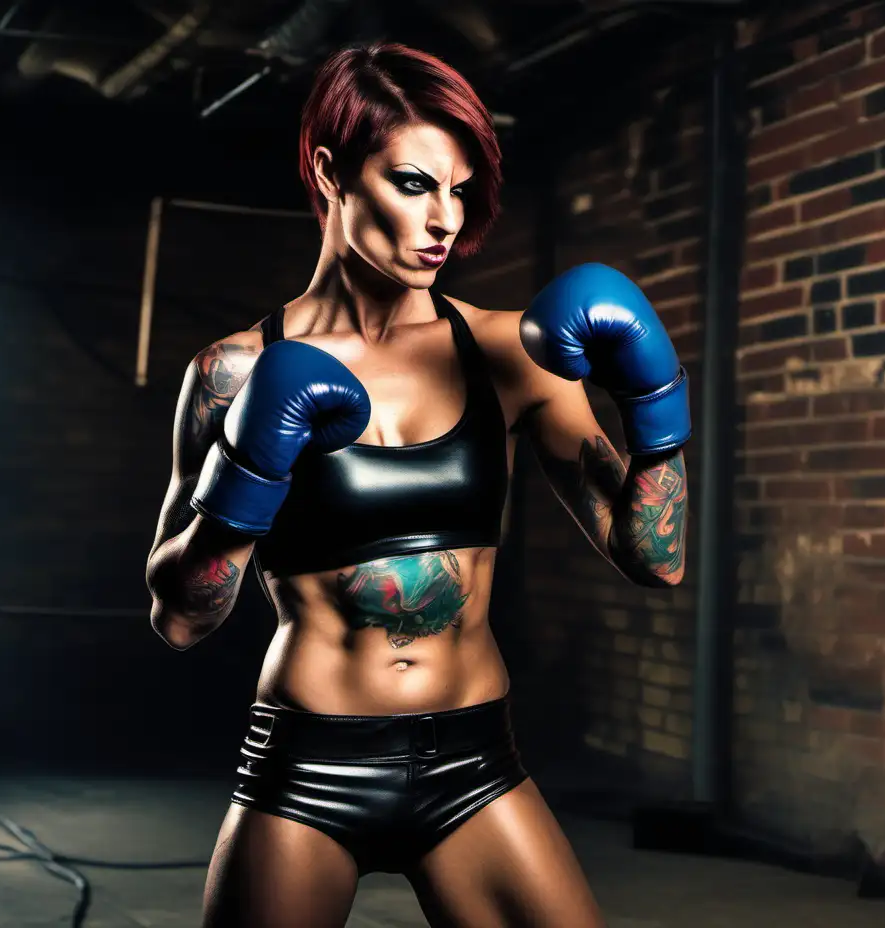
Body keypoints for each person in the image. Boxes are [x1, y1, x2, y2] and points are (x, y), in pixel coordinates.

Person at [145, 42, 690, 928]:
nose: (446, 220)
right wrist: (245, 477)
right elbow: (180, 618)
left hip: (473, 759)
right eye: (413, 183)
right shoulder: (233, 374)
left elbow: (655, 559)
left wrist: (657, 409)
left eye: (460, 190)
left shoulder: (513, 353)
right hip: (307, 766)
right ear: (331, 173)